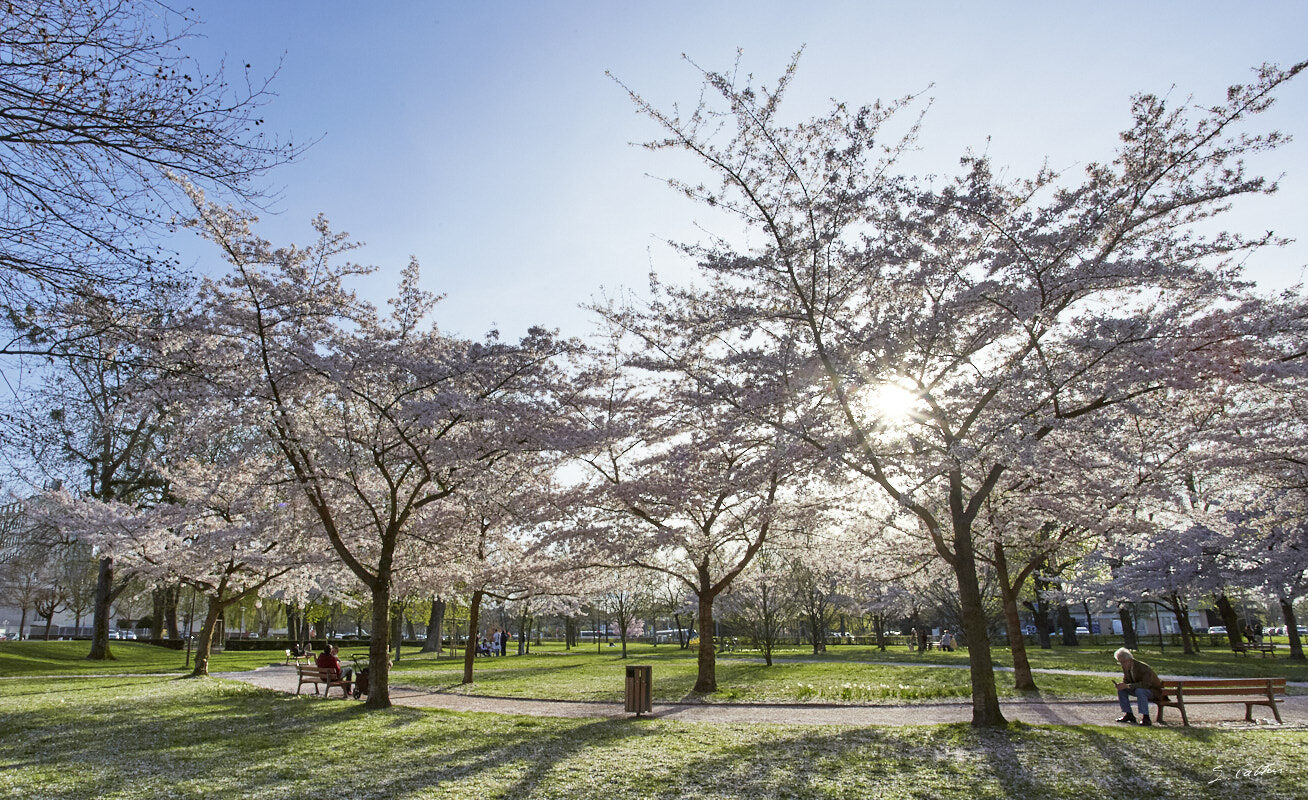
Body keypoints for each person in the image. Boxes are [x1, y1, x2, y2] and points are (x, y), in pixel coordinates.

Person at [1113, 647, 1162, 726]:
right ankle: (1129, 714)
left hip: (1153, 691)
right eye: (1120, 662)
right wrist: (1122, 685)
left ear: (1130, 660)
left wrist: (1128, 686)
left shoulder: (1143, 668)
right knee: (1121, 690)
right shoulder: (1126, 667)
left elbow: (1146, 684)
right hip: (1138, 689)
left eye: (1123, 662)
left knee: (1140, 691)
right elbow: (1126, 681)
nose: (1122, 664)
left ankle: (1146, 717)